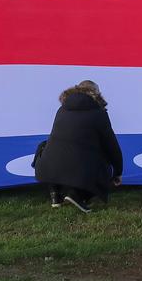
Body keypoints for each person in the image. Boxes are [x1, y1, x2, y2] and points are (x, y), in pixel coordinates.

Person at [34, 80, 124, 212]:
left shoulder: (62, 109)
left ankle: (55, 193)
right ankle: (77, 195)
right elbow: (111, 146)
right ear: (96, 94)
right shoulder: (99, 114)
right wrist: (118, 171)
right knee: (102, 161)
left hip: (47, 167)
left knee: (46, 146)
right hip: (78, 167)